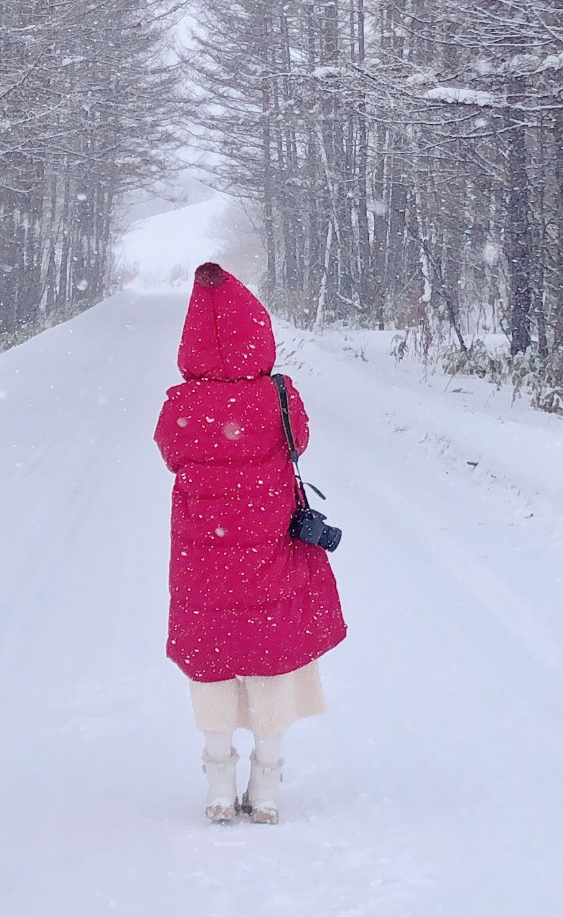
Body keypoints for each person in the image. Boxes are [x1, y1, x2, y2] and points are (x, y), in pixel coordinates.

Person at [153, 261, 346, 824]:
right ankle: (265, 787)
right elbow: (299, 444)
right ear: (257, 331)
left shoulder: (180, 405)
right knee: (269, 658)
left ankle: (217, 786)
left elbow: (171, 455)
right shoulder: (279, 396)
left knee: (211, 661)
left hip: (201, 560)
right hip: (269, 553)